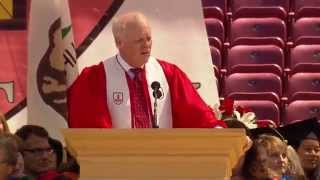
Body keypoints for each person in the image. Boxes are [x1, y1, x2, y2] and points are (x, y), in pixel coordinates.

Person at [68, 11, 225, 128]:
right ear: (119, 42)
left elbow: (195, 113)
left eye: (148, 38)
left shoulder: (169, 74)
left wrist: (215, 129)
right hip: (118, 166)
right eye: (139, 40)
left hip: (163, 164)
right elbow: (90, 127)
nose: (146, 45)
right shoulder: (95, 78)